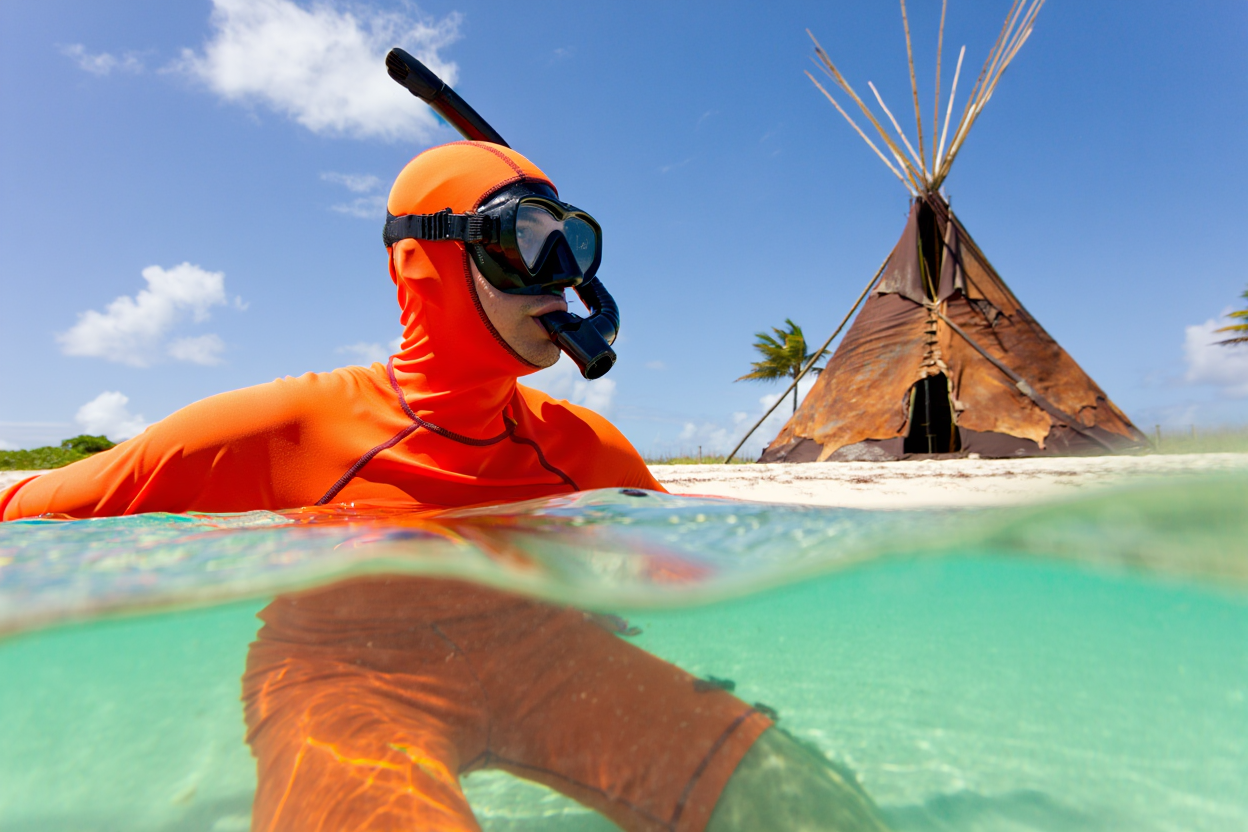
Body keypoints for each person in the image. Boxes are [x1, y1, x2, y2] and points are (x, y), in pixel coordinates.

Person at [1, 142, 889, 831]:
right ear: (421, 264)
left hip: (551, 663)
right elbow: (34, 506)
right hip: (345, 681)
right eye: (525, 247)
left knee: (804, 800)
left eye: (570, 246)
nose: (561, 280)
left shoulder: (585, 446)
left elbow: (677, 555)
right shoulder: (281, 429)